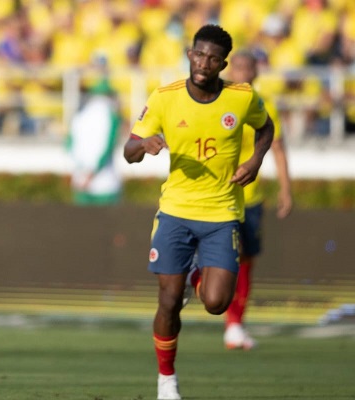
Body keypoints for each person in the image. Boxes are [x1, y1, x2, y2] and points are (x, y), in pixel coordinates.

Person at [123, 24, 274, 400]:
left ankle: (195, 277)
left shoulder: (241, 98)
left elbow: (266, 128)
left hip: (222, 213)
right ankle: (166, 380)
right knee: (168, 302)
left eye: (212, 58)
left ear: (223, 63)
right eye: (198, 54)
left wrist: (256, 160)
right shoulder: (164, 97)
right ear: (189, 54)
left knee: (216, 303)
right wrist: (144, 145)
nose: (203, 63)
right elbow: (128, 149)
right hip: (175, 211)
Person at [223, 50, 292, 350]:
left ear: (255, 72)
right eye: (236, 67)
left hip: (250, 197)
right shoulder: (217, 99)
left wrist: (285, 189)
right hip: (218, 197)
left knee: (245, 261)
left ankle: (235, 324)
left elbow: (277, 147)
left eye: (247, 68)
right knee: (221, 258)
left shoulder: (264, 105)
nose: (241, 73)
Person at [67, 78, 122, 206]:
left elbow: (69, 145)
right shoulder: (110, 114)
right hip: (105, 184)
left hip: (81, 180)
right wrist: (91, 173)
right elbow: (108, 145)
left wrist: (82, 172)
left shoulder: (79, 114)